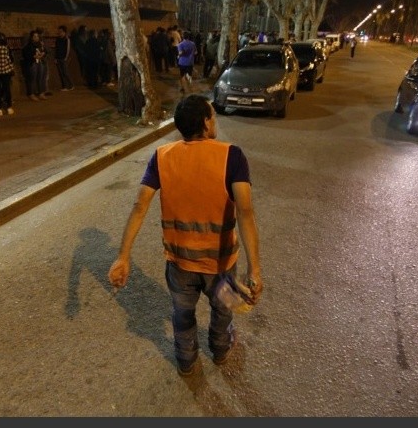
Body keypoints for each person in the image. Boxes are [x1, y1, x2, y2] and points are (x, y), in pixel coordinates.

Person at [108, 94, 264, 377]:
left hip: (179, 264)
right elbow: (245, 212)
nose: (214, 120)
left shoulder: (162, 157)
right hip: (220, 266)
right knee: (223, 311)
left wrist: (123, 257)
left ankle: (186, 359)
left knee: (182, 314)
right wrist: (255, 268)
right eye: (212, 116)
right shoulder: (232, 156)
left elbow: (139, 206)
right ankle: (219, 350)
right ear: (205, 123)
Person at [54, 25, 75, 91]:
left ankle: (71, 85)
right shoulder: (57, 39)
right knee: (61, 73)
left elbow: (68, 49)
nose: (59, 33)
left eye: (61, 31)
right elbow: (56, 49)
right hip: (58, 58)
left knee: (65, 72)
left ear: (64, 32)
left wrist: (66, 58)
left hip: (64, 58)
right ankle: (65, 87)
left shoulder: (67, 39)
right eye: (59, 31)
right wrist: (55, 58)